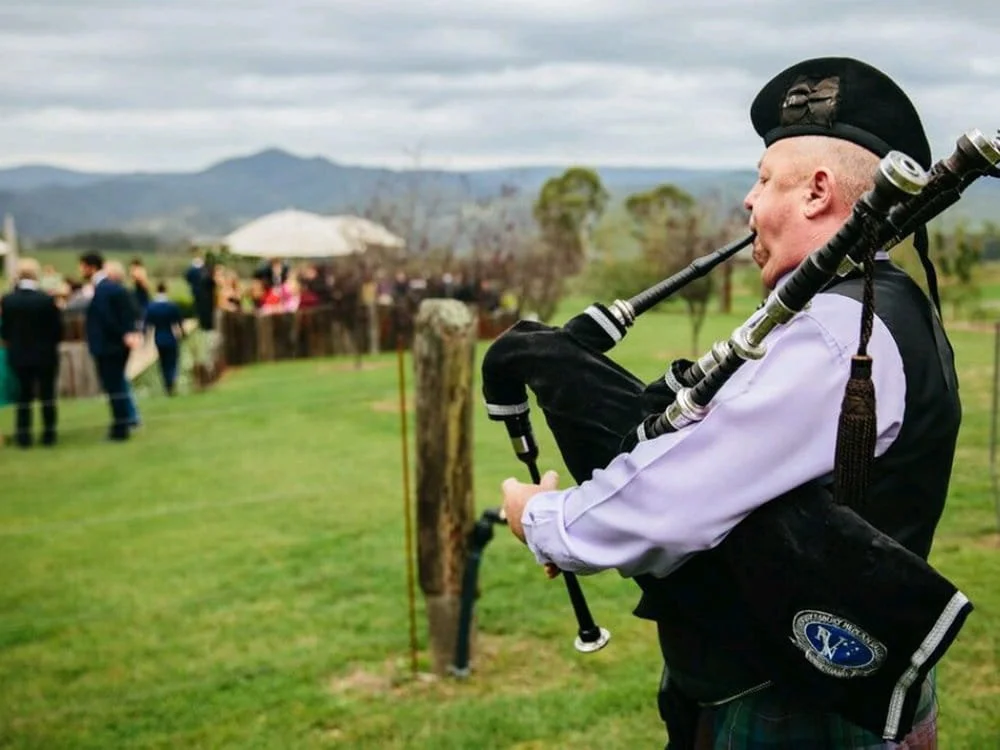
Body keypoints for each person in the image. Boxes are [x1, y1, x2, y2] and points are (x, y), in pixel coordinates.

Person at [500, 57, 961, 748]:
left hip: (796, 707)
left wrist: (544, 519)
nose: (749, 200)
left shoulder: (839, 334)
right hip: (828, 683)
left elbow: (681, 497)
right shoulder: (877, 309)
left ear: (817, 192)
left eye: (765, 177)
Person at [0, 258, 63, 447]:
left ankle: (23, 436)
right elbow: (56, 329)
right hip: (45, 354)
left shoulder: (8, 301)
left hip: (19, 355)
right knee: (47, 394)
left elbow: (5, 330)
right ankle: (49, 434)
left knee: (23, 396)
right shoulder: (46, 300)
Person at [79, 253, 141, 441]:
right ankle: (122, 424)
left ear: (90, 267)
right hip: (112, 345)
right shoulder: (108, 288)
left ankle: (120, 428)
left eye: (81, 266)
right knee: (116, 386)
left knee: (114, 387)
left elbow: (108, 318)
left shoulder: (105, 289)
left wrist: (122, 334)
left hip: (109, 346)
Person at [144, 282, 185, 395]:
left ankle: (167, 382)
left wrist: (145, 340)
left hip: (158, 337)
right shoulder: (171, 306)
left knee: (162, 362)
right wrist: (183, 333)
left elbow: (147, 324)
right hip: (170, 336)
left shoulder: (151, 307)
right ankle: (171, 379)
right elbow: (179, 322)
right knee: (172, 360)